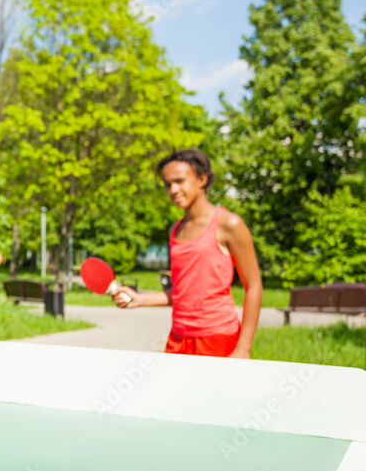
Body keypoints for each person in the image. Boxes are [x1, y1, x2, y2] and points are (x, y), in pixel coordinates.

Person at [111, 149, 262, 358]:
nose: (173, 189)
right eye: (167, 184)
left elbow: (253, 286)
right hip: (178, 338)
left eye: (180, 181)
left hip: (218, 337)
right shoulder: (175, 230)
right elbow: (183, 292)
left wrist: (243, 348)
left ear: (202, 180)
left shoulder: (229, 224)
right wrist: (139, 299)